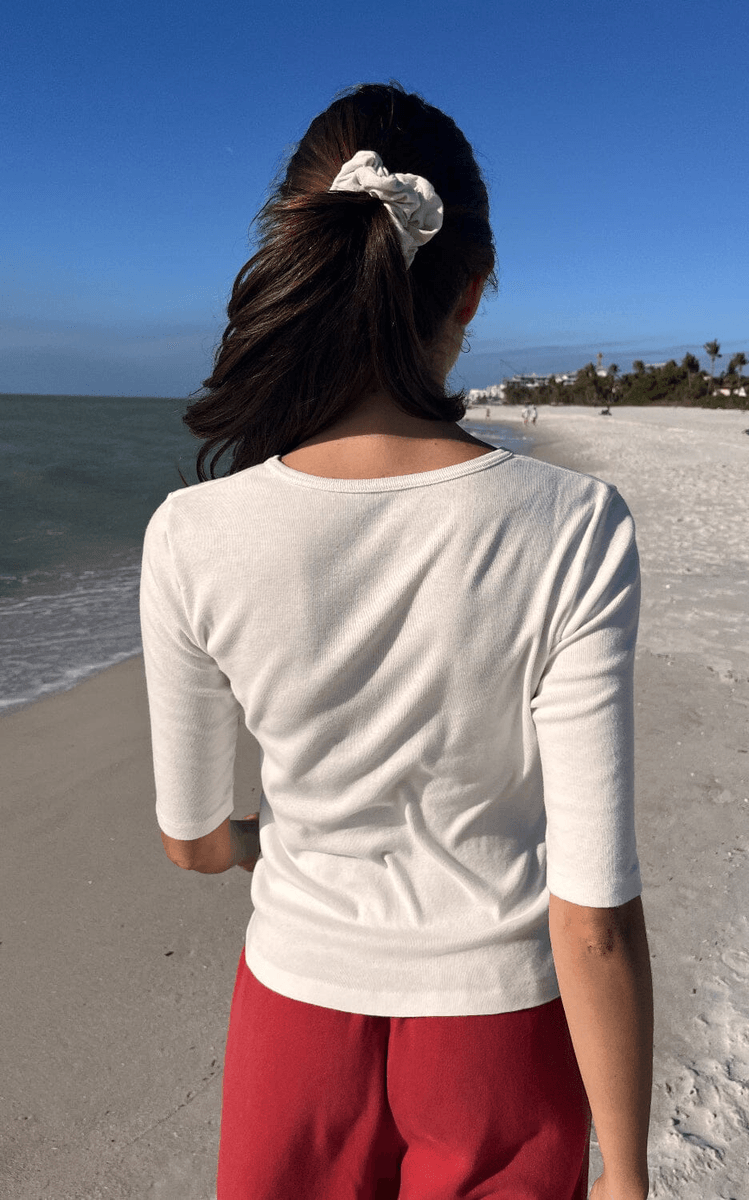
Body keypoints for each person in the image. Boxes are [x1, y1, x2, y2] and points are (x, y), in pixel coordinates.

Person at [140, 84, 653, 1200]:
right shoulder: (573, 525)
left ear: (298, 254)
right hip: (500, 1035)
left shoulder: (191, 534)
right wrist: (626, 1167)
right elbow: (593, 918)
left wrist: (263, 839)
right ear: (470, 287)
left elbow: (191, 843)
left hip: (293, 1023)